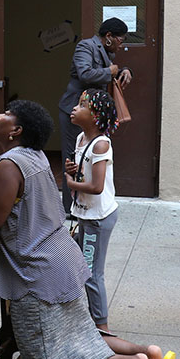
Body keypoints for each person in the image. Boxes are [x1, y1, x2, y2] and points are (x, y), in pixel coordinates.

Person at [0, 100, 173, 359]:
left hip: (37, 272)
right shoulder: (34, 157)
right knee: (82, 334)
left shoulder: (10, 164)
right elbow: (2, 209)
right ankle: (148, 354)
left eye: (6, 114)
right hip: (59, 259)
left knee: (47, 357)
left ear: (16, 130)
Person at [58, 18, 132, 213]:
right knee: (73, 159)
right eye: (120, 40)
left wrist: (124, 70)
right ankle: (71, 207)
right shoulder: (85, 46)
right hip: (75, 112)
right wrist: (110, 71)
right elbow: (85, 74)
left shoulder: (104, 50)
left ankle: (87, 201)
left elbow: (110, 67)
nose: (121, 44)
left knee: (91, 158)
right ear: (108, 36)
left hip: (92, 115)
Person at [63, 88, 119, 332]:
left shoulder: (101, 145)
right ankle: (87, 319)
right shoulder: (80, 139)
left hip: (97, 218)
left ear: (95, 116)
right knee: (80, 267)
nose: (75, 108)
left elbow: (96, 186)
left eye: (83, 105)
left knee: (92, 273)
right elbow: (85, 171)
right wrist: (73, 168)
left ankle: (102, 327)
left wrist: (71, 182)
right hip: (85, 214)